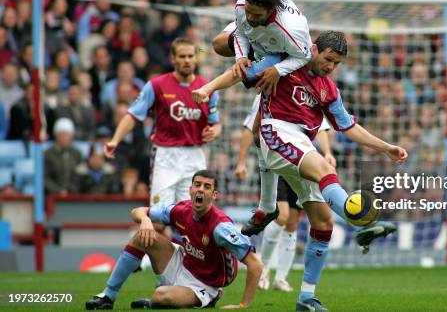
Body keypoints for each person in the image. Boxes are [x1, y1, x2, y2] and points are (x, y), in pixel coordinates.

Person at [193, 31, 407, 310]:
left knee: (322, 222)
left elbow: (348, 126)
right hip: (275, 131)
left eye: (337, 63)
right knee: (322, 168)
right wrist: (208, 88)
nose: (331, 66)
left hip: (302, 143)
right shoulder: (285, 61)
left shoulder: (329, 89)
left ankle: (306, 297)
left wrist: (385, 147)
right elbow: (239, 73)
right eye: (328, 59)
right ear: (314, 49)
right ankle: (360, 222)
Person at [213, 0, 314, 235]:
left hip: (283, 59)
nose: (249, 16)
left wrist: (276, 70)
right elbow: (241, 30)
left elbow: (303, 57)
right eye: (248, 11)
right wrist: (240, 57)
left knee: (261, 129)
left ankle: (269, 206)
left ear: (270, 10)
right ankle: (268, 206)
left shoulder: (291, 29)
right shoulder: (242, 7)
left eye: (255, 14)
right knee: (216, 44)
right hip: (260, 47)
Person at [85, 170, 263, 309]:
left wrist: (243, 305)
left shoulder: (221, 227)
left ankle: (207, 299)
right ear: (190, 189)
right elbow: (136, 211)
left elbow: (255, 264)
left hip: (205, 285)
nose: (200, 189)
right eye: (197, 185)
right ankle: (108, 296)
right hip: (183, 262)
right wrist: (146, 220)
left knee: (161, 296)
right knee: (142, 236)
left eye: (207, 187)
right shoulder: (181, 210)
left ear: (214, 195)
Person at [104, 37, 222, 207]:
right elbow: (133, 115)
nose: (187, 60)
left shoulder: (207, 89)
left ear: (196, 58)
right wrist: (115, 140)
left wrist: (214, 132)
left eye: (190, 56)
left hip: (195, 156)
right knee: (159, 217)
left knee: (192, 218)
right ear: (173, 59)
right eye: (182, 56)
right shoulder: (157, 85)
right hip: (165, 156)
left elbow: (216, 123)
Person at [236, 95, 336, 292]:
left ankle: (280, 278)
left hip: (301, 161)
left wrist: (327, 152)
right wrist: (241, 162)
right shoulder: (266, 92)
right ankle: (263, 270)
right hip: (278, 158)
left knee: (292, 221)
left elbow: (322, 127)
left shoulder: (308, 91)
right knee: (281, 216)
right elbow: (250, 128)